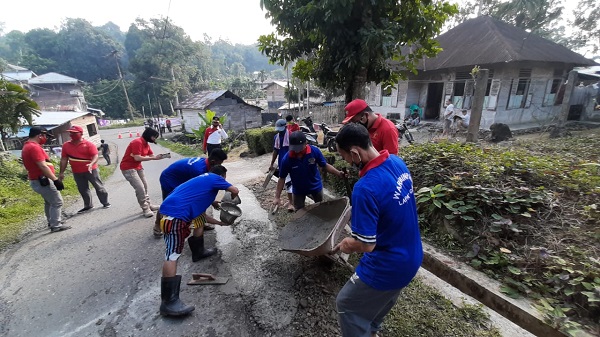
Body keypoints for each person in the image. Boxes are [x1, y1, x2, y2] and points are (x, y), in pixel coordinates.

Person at [332, 123, 423, 337]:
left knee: (347, 303)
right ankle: (371, 331)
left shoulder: (365, 188)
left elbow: (366, 244)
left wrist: (346, 244)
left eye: (344, 156)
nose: (346, 161)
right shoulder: (397, 162)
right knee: (380, 299)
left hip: (388, 265)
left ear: (355, 152)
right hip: (412, 257)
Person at [158, 165, 239, 317]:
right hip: (175, 217)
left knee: (199, 222)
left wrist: (220, 222)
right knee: (172, 255)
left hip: (169, 212)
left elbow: (202, 216)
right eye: (224, 179)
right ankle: (168, 302)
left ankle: (198, 252)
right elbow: (234, 190)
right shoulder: (214, 177)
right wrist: (231, 202)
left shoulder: (198, 183)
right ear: (222, 176)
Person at [154, 149, 228, 237]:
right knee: (169, 203)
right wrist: (212, 202)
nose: (220, 166)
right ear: (213, 161)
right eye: (219, 163)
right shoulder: (199, 170)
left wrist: (212, 201)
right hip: (170, 179)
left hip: (182, 178)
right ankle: (157, 224)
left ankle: (201, 223)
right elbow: (197, 192)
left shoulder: (206, 164)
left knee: (198, 202)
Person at [274, 131, 344, 211]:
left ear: (306, 143)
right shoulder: (287, 159)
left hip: (315, 187)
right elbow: (282, 178)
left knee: (321, 210)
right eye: (294, 148)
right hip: (298, 190)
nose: (297, 151)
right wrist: (277, 197)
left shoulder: (314, 151)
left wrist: (338, 173)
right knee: (299, 212)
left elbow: (325, 165)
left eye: (299, 148)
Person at [21, 127, 70, 233]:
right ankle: (56, 225)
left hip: (36, 180)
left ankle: (51, 221)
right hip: (43, 180)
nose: (46, 138)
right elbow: (42, 166)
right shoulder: (34, 147)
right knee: (57, 202)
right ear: (40, 135)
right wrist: (55, 180)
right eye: (45, 136)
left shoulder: (27, 146)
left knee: (49, 202)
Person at [59, 125, 110, 214]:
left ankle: (105, 202)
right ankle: (88, 205)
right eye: (70, 133)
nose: (71, 135)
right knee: (82, 189)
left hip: (91, 170)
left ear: (81, 134)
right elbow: (64, 159)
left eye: (74, 133)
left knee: (98, 186)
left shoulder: (89, 145)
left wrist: (91, 164)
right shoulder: (66, 145)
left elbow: (95, 156)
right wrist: (61, 172)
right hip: (77, 171)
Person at [120, 127, 170, 218]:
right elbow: (137, 158)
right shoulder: (137, 142)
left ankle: (149, 205)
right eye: (154, 137)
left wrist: (161, 156)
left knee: (145, 186)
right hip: (128, 168)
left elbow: (151, 155)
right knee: (140, 188)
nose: (154, 139)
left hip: (138, 167)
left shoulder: (146, 144)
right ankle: (145, 208)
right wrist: (153, 158)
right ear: (149, 135)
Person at [268, 119, 294, 212]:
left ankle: (291, 202)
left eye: (281, 129)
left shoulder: (291, 136)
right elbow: (275, 151)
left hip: (292, 162)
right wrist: (271, 163)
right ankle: (291, 201)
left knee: (291, 183)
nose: (280, 131)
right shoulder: (276, 137)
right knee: (287, 183)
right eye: (278, 129)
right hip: (282, 163)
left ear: (286, 127)